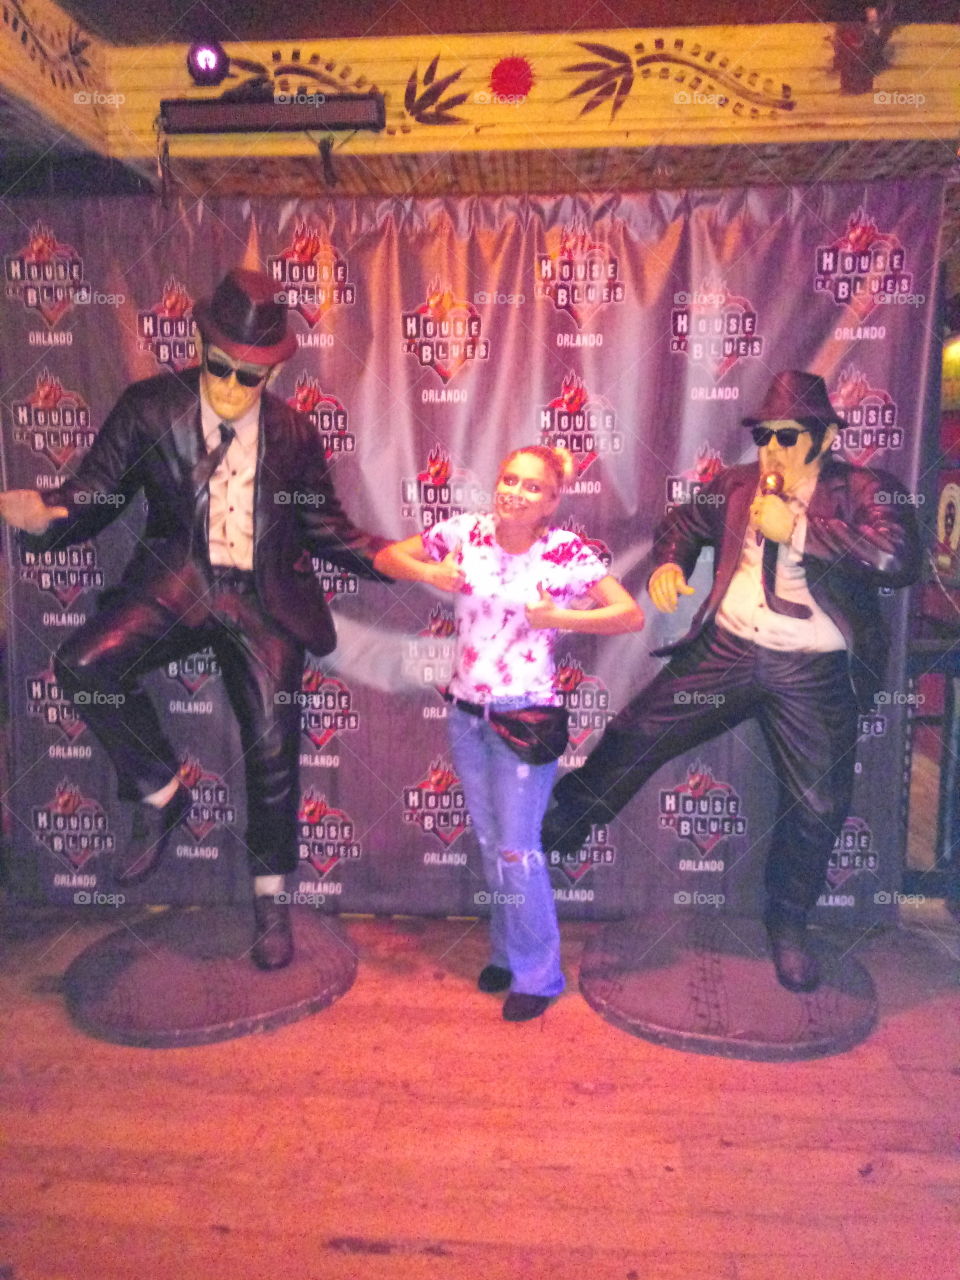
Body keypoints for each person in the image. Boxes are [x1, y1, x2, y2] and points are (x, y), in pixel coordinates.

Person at [0, 268, 388, 971]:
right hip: (179, 577)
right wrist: (49, 513)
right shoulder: (150, 408)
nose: (234, 389)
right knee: (83, 666)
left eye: (253, 377)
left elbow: (325, 526)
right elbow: (95, 494)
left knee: (272, 743)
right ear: (199, 344)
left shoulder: (294, 431)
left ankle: (271, 899)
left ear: (272, 371)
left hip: (265, 594)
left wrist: (398, 559)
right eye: (221, 369)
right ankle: (160, 791)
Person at [541, 370, 922, 993]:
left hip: (812, 670)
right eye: (764, 434)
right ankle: (558, 833)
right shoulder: (738, 483)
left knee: (820, 805)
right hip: (729, 651)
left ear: (823, 439)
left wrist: (797, 530)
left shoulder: (862, 488)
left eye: (787, 436)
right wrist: (671, 563)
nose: (771, 447)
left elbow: (897, 559)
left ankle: (788, 925)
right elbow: (686, 523)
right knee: (636, 733)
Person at [374, 445, 644, 1021]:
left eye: (530, 486)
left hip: (525, 718)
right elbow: (386, 558)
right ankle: (507, 950)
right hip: (467, 712)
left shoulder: (564, 552)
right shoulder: (466, 532)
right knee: (493, 845)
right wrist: (429, 571)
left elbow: (629, 615)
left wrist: (560, 617)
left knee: (520, 852)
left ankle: (540, 975)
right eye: (507, 479)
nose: (514, 492)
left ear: (552, 500)